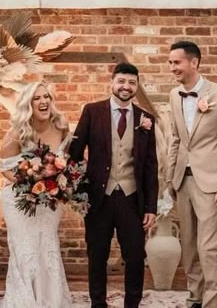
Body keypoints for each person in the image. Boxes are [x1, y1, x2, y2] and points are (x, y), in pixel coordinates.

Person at [70, 62, 158, 308]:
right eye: (121, 81)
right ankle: (98, 304)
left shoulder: (146, 119)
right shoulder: (92, 111)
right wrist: (79, 194)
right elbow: (74, 155)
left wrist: (151, 207)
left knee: (135, 257)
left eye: (131, 82)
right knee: (97, 256)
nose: (126, 87)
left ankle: (132, 304)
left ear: (137, 86)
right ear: (112, 83)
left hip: (132, 199)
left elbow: (151, 166)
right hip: (99, 199)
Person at [166, 41, 217, 308]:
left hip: (212, 183)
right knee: (188, 246)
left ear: (194, 63)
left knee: (207, 248)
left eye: (177, 62)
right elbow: (175, 139)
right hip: (182, 181)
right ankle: (194, 298)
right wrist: (169, 178)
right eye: (170, 63)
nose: (172, 67)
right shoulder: (174, 94)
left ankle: (212, 302)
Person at [0, 81, 73, 308]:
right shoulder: (18, 132)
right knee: (25, 251)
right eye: (37, 98)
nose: (44, 102)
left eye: (46, 97)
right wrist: (28, 184)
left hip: (50, 202)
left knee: (47, 248)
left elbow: (66, 162)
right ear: (29, 104)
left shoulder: (61, 127)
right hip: (21, 201)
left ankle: (50, 301)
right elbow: (4, 167)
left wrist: (60, 184)